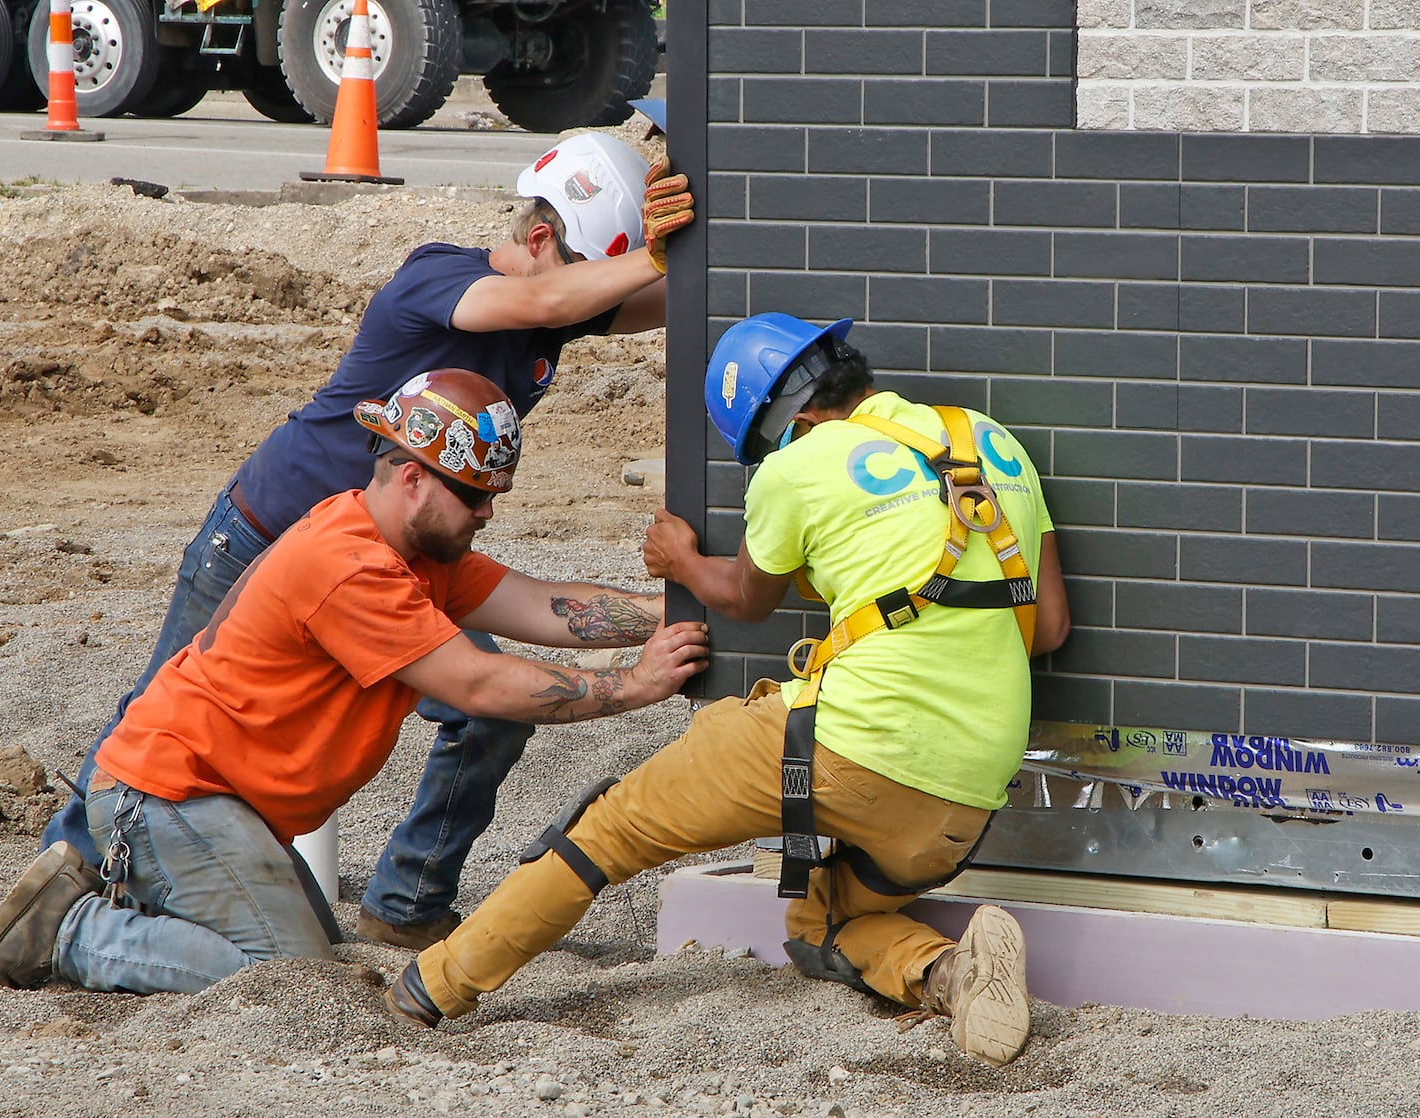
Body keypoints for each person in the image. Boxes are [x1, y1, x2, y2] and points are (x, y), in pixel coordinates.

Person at [38, 130, 696, 950]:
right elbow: (548, 302)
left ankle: (406, 902)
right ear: (536, 240)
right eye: (592, 274)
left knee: (490, 713)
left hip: (395, 553)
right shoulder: (440, 278)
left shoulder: (560, 304)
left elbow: (638, 296)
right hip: (270, 533)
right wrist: (657, 260)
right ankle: (63, 876)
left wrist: (717, 242)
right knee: (164, 714)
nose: (598, 302)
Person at [384, 313, 1071, 1068]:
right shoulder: (986, 440)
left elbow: (745, 597)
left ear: (798, 422)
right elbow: (1046, 629)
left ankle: (431, 986)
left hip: (850, 746)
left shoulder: (799, 467)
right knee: (821, 924)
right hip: (963, 805)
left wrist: (680, 560)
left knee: (610, 830)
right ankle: (949, 974)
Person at [0, 370, 710, 995]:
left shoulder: (412, 548)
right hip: (170, 795)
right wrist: (634, 688)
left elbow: (538, 605)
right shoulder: (350, 566)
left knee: (321, 960)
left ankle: (128, 898)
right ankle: (67, 931)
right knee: (291, 978)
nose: (486, 512)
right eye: (475, 495)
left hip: (218, 801)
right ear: (414, 479)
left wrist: (666, 610)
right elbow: (479, 685)